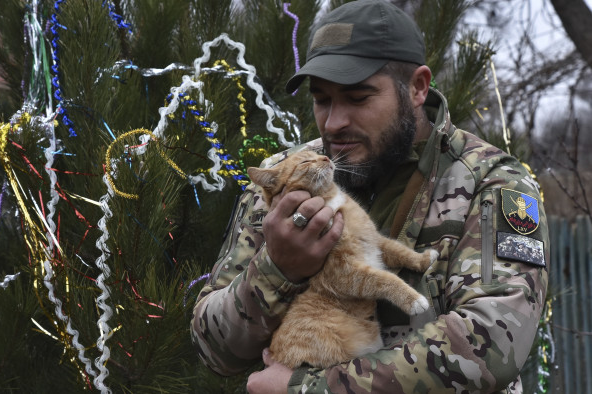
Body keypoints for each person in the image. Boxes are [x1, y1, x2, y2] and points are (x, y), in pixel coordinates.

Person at [190, 1, 549, 392]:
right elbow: (213, 349)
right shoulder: (285, 179)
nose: (334, 122)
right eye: (322, 99)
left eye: (358, 98)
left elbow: (492, 344)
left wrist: (308, 388)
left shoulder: (490, 184)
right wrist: (278, 268)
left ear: (417, 87)